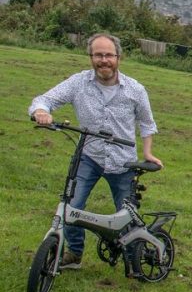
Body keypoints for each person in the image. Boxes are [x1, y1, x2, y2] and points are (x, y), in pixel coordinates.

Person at [29, 33, 161, 271]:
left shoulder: (135, 89)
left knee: (126, 216)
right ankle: (74, 253)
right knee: (72, 205)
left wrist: (148, 153)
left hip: (123, 163)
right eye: (98, 55)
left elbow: (147, 123)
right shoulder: (78, 83)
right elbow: (45, 99)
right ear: (91, 57)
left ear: (118, 57)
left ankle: (134, 262)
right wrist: (41, 111)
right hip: (89, 157)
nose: (104, 60)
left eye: (109, 55)